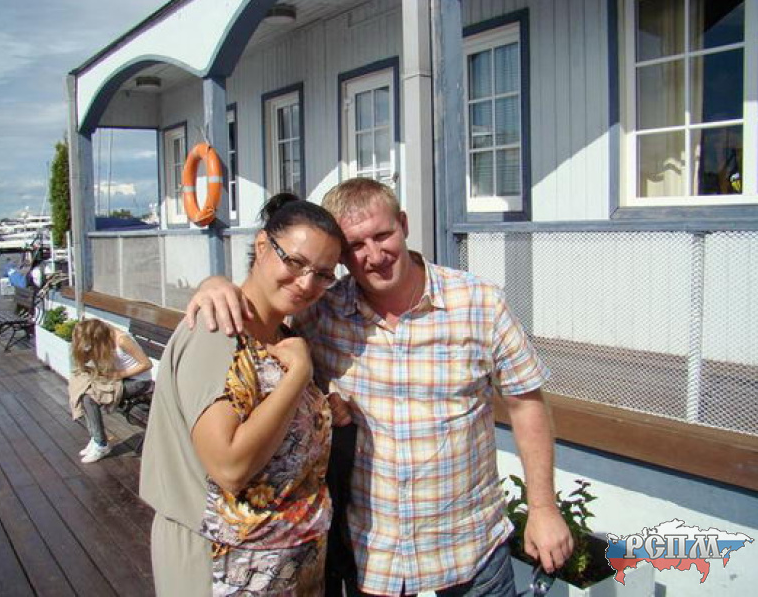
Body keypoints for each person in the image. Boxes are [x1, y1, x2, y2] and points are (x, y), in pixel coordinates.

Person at [186, 178, 574, 597]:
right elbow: (266, 314)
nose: (374, 255)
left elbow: (526, 404)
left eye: (382, 235)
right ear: (341, 256)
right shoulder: (322, 310)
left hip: (470, 551)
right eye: (355, 245)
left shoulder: (479, 303)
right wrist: (215, 284)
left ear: (403, 225)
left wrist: (543, 508)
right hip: (373, 561)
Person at [139, 193, 350, 596]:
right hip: (225, 567)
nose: (306, 283)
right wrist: (298, 377)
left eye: (323, 274)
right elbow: (230, 465)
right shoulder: (218, 330)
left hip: (288, 567)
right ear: (262, 245)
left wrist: (324, 410)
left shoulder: (283, 336)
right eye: (295, 262)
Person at [69, 318, 153, 463]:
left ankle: (101, 444)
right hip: (120, 379)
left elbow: (147, 364)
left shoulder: (122, 340)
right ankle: (96, 438)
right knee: (82, 389)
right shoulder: (102, 334)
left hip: (138, 382)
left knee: (90, 398)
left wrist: (118, 375)